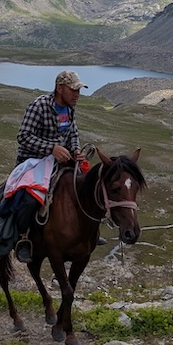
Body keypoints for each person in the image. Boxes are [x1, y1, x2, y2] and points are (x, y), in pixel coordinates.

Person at [13, 70, 105, 262]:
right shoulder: (39, 106)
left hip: (61, 161)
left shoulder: (70, 108)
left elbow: (73, 134)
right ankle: (22, 238)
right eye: (73, 90)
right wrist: (51, 148)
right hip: (34, 161)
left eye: (78, 91)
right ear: (60, 88)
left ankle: (90, 231)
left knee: (87, 187)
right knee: (30, 200)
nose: (77, 95)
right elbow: (23, 136)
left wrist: (76, 150)